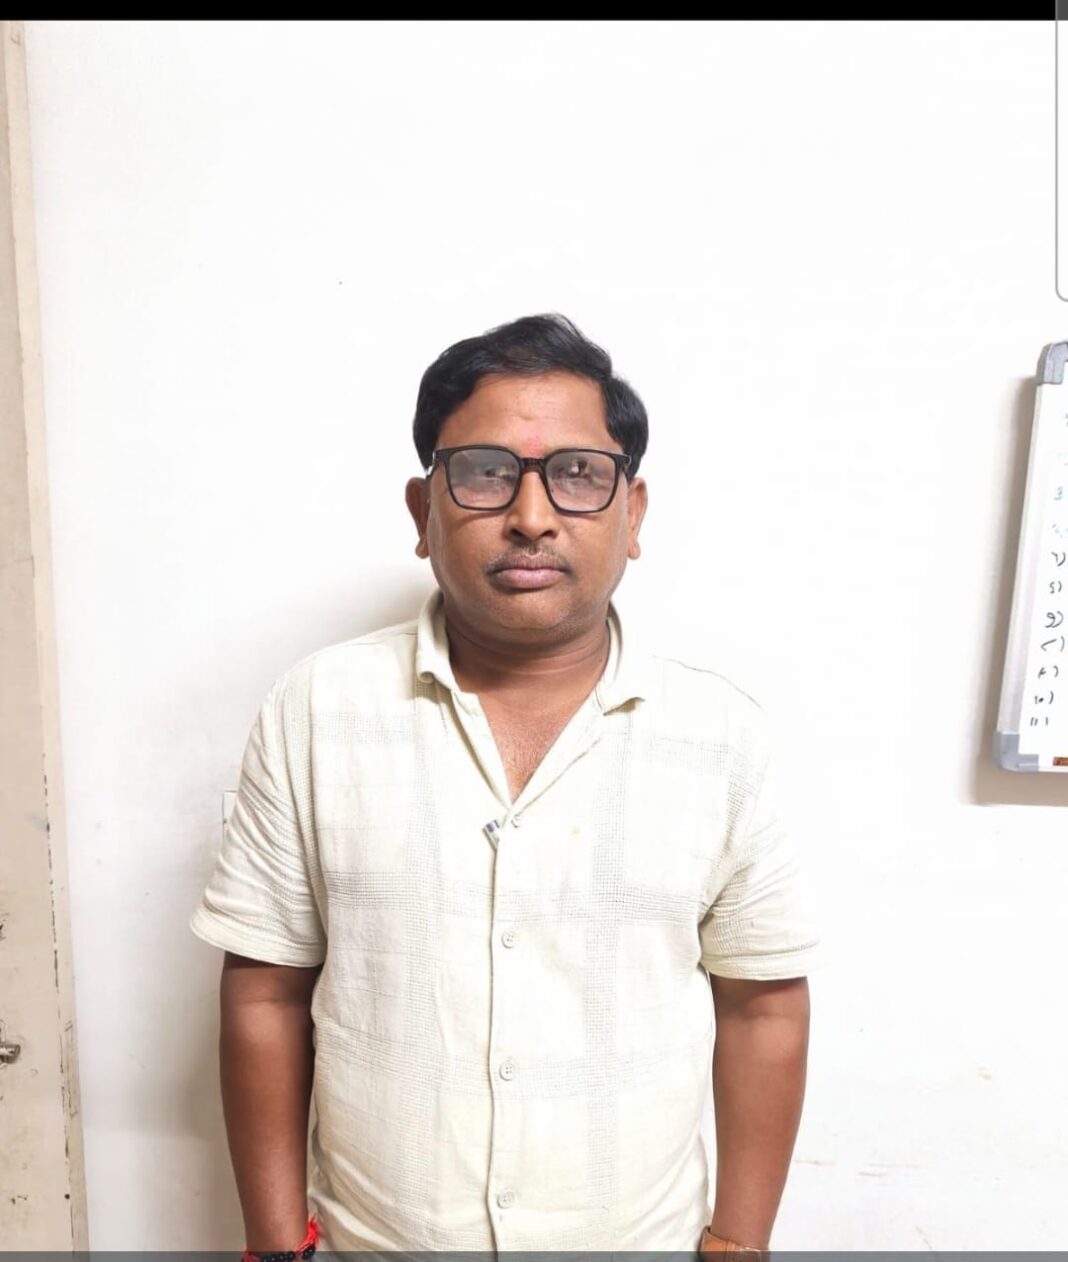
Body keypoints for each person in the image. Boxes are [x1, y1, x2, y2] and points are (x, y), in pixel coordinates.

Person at [191, 313, 820, 1257]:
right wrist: (277, 1248)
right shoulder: (315, 710)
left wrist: (739, 1245)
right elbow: (265, 994)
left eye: (578, 474)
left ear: (633, 514)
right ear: (422, 512)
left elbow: (763, 1005)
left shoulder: (720, 735)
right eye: (486, 473)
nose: (532, 515)